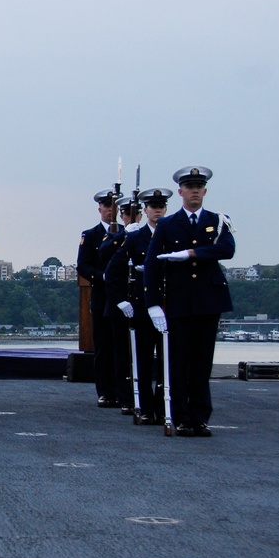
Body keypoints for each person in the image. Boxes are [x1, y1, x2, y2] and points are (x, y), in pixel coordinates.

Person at [145, 167, 234, 437]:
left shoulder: (217, 221)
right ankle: (181, 417)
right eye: (190, 186)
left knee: (202, 362)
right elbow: (152, 264)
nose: (195, 191)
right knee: (179, 361)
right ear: (181, 192)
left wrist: (190, 253)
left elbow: (227, 249)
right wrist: (152, 303)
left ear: (205, 191)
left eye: (199, 186)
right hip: (179, 300)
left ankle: (200, 417)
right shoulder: (167, 225)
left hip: (208, 300)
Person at [105, 188, 172, 425]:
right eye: (154, 208)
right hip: (143, 306)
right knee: (143, 359)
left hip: (168, 305)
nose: (158, 211)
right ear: (145, 211)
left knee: (168, 362)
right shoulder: (134, 237)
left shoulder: (172, 235)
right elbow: (112, 271)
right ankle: (145, 407)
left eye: (161, 207)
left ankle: (165, 406)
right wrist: (121, 299)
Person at [99, 196, 143, 415]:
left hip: (143, 303)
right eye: (127, 214)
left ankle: (143, 397)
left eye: (136, 214)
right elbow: (105, 258)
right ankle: (123, 395)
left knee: (142, 354)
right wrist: (126, 235)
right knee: (120, 354)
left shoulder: (147, 237)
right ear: (122, 216)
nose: (132, 218)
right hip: (120, 303)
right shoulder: (116, 237)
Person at [77, 188, 119, 408]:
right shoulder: (90, 235)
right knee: (103, 345)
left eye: (115, 206)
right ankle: (105, 390)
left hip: (124, 297)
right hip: (102, 295)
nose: (111, 210)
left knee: (122, 346)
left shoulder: (126, 232)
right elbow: (83, 265)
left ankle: (123, 388)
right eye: (107, 205)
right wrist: (104, 276)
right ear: (100, 208)